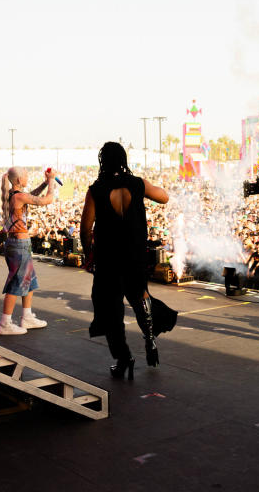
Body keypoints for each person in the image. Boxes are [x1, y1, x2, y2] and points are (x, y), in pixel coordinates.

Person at [80, 142, 176, 379]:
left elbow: (85, 228)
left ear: (103, 161)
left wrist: (88, 252)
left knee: (111, 309)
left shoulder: (96, 190)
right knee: (140, 295)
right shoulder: (138, 183)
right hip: (134, 254)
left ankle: (123, 358)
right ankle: (150, 337)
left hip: (108, 257)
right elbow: (164, 198)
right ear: (123, 160)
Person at [0, 166, 57, 335]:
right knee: (16, 281)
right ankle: (5, 323)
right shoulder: (19, 196)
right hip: (19, 245)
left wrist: (44, 183)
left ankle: (27, 316)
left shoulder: (13, 194)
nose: (28, 177)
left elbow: (33, 194)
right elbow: (47, 200)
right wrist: (51, 181)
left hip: (17, 243)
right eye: (26, 176)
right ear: (18, 180)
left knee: (28, 279)